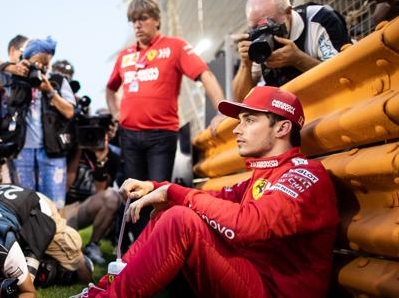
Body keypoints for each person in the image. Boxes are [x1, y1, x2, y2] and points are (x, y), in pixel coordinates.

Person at [72, 86, 339, 298]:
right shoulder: (266, 174)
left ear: (282, 128)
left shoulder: (304, 174)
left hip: (275, 291)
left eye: (249, 120)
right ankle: (103, 290)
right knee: (171, 213)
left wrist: (175, 193)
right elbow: (217, 200)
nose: (236, 128)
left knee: (181, 219)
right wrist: (159, 188)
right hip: (254, 278)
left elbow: (249, 224)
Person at [105, 0, 225, 242]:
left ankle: (160, 246)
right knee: (133, 196)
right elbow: (110, 89)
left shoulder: (175, 46)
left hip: (161, 136)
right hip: (130, 135)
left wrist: (222, 109)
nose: (137, 25)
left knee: (158, 194)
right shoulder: (125, 56)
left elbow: (206, 74)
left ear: (157, 19)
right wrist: (116, 113)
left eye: (143, 18)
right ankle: (138, 250)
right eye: (133, 20)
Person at [0, 36, 76, 209]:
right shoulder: (15, 78)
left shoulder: (57, 81)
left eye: (45, 65)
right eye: (37, 64)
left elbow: (69, 112)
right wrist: (13, 68)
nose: (41, 69)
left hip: (52, 152)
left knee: (55, 206)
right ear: (27, 60)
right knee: (24, 205)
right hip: (22, 150)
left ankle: (57, 237)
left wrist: (50, 91)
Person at [231, 0, 352, 100]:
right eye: (255, 28)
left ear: (288, 12)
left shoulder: (319, 18)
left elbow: (345, 77)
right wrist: (245, 65)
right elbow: (240, 98)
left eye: (270, 24)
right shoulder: (256, 41)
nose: (263, 33)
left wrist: (299, 60)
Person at [63, 117, 122, 264]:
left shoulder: (112, 158)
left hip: (86, 207)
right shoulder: (72, 150)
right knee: (64, 244)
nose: (91, 136)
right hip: (64, 208)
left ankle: (93, 245)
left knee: (112, 197)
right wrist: (78, 150)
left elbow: (100, 193)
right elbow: (66, 186)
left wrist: (100, 160)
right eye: (87, 132)